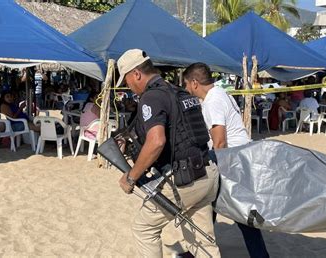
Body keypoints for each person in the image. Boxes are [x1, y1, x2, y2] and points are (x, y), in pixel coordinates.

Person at [115, 49, 220, 258]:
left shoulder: (151, 97)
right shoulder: (178, 92)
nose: (129, 87)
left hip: (184, 180)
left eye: (127, 80)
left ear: (136, 74)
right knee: (201, 240)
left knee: (144, 229)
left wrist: (131, 177)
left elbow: (156, 141)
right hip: (207, 173)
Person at [183, 62, 270, 258]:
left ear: (195, 83)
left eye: (187, 85)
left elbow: (220, 142)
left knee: (237, 214)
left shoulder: (213, 101)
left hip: (232, 162)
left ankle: (260, 255)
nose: (186, 89)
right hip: (239, 158)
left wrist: (213, 171)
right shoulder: (221, 93)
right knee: (212, 209)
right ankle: (194, 252)